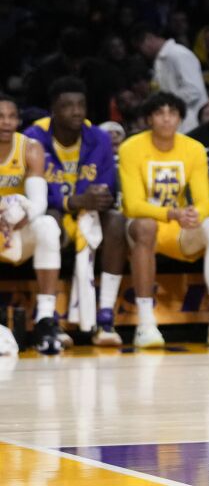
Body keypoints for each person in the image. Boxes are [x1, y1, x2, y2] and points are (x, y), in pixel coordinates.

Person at [118, 92, 209, 348]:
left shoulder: (192, 148)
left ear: (180, 119)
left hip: (179, 230)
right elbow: (132, 204)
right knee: (147, 225)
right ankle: (146, 324)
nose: (166, 119)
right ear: (149, 119)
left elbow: (205, 201)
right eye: (159, 113)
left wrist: (197, 214)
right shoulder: (131, 147)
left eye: (172, 113)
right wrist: (171, 214)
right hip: (140, 228)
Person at [25, 78, 124, 346]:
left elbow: (108, 185)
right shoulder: (34, 138)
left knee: (116, 222)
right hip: (57, 211)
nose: (77, 111)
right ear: (53, 109)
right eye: (68, 105)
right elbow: (36, 192)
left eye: (81, 105)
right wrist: (72, 201)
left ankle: (105, 317)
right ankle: (51, 318)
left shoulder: (99, 138)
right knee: (50, 221)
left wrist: (97, 197)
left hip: (87, 212)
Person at [0, 95, 64, 354]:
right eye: (0, 117)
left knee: (48, 224)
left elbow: (38, 201)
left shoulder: (30, 148)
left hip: (16, 228)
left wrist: (18, 218)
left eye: (11, 116)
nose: (6, 122)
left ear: (18, 119)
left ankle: (45, 319)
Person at [132, 25, 207, 134]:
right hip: (174, 124)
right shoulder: (159, 60)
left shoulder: (178, 54)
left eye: (140, 48)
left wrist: (163, 103)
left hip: (192, 123)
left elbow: (193, 90)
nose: (142, 53)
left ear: (148, 39)